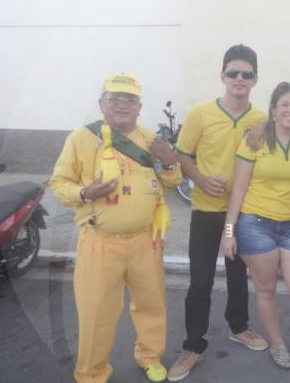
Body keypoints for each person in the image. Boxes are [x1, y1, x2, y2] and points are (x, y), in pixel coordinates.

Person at [50, 73, 182, 383]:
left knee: (152, 304)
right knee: (97, 314)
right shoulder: (81, 139)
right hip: (100, 241)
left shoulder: (150, 138)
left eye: (130, 99)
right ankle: (92, 372)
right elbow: (58, 182)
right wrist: (84, 193)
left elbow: (172, 182)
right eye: (115, 97)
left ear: (139, 106)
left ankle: (150, 356)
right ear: (101, 104)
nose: (123, 104)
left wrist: (169, 163)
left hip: (146, 240)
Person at [168, 45, 268, 382]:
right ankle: (193, 347)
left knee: (239, 275)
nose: (239, 79)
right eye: (233, 73)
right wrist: (198, 180)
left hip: (241, 213)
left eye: (247, 74)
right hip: (207, 211)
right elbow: (182, 155)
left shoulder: (261, 120)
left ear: (255, 79)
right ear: (222, 76)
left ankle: (238, 326)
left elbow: (269, 161)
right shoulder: (200, 114)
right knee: (200, 281)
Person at [220, 82, 290, 369]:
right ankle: (277, 343)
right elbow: (238, 188)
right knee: (266, 289)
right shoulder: (255, 138)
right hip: (255, 224)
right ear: (273, 109)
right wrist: (229, 232)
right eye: (284, 104)